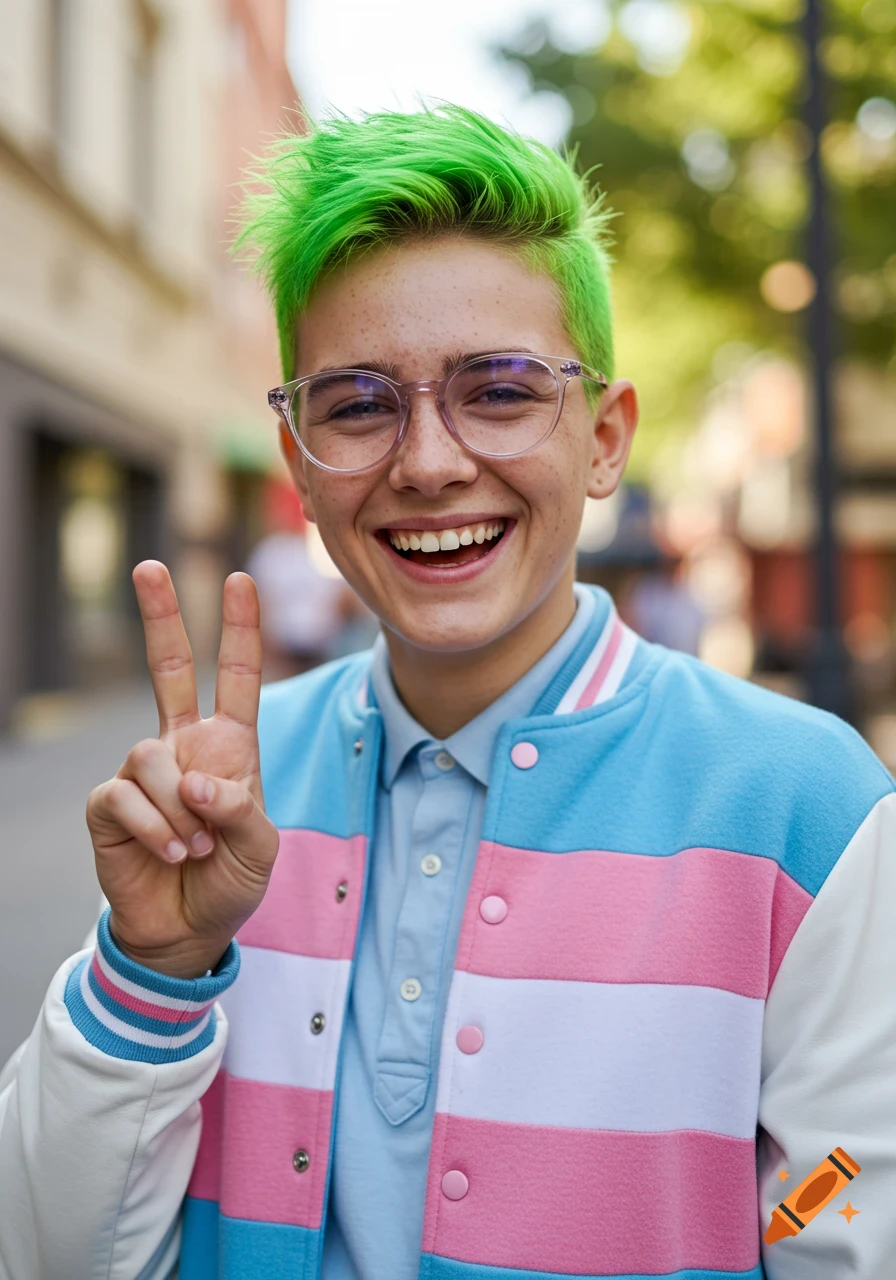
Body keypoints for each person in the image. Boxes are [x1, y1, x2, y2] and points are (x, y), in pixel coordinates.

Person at [1, 105, 894, 1280]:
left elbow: (839, 1211)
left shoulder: (803, 803)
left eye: (502, 388)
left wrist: (770, 1226)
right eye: (359, 404)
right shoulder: (220, 783)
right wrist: (148, 970)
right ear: (300, 467)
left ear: (603, 439)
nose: (426, 462)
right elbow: (48, 1248)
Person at [247, 476, 369, 679]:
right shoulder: (271, 551)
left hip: (322, 648)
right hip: (283, 649)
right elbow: (261, 601)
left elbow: (346, 598)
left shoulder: (321, 547)